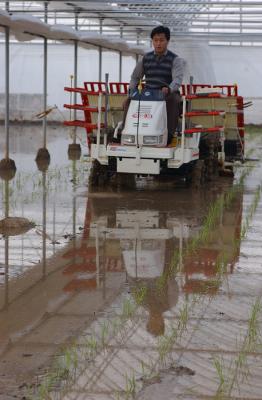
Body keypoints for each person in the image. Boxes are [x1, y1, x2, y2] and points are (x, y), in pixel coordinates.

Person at [124, 25, 186, 145]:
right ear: (152, 41)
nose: (158, 44)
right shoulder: (145, 58)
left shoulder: (175, 60)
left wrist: (169, 88)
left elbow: (177, 80)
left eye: (161, 40)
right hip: (149, 93)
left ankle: (168, 135)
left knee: (173, 101)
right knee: (128, 102)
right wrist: (131, 92)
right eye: (155, 40)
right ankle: (125, 131)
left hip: (167, 93)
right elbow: (135, 77)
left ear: (167, 41)